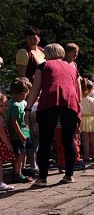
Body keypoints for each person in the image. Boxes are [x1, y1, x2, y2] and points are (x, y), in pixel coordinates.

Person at [25, 43, 82, 186]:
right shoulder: (72, 67)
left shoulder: (43, 66)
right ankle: (69, 175)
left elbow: (36, 88)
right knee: (68, 140)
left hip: (49, 103)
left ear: (48, 54)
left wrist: (28, 108)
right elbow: (77, 90)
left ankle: (42, 178)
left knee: (45, 142)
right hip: (70, 103)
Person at [7, 78, 32, 183]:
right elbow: (14, 122)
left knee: (24, 152)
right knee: (20, 154)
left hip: (24, 131)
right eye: (26, 93)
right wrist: (21, 135)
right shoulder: (15, 106)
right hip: (18, 134)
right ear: (22, 94)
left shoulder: (18, 103)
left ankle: (21, 169)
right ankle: (17, 173)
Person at [79, 79, 94, 162]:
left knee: (85, 140)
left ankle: (86, 155)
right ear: (91, 90)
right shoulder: (93, 100)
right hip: (92, 119)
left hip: (83, 119)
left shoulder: (79, 100)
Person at [0, 94, 17, 192]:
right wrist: (7, 144)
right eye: (1, 106)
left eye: (6, 105)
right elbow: (1, 133)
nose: (4, 108)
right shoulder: (0, 119)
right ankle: (1, 183)